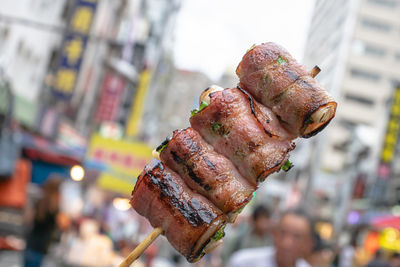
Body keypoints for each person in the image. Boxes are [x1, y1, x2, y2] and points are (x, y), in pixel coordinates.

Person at [227, 208, 314, 267]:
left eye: (297, 237)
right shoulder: (243, 262)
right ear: (274, 233)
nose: (286, 243)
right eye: (282, 233)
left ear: (308, 244)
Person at [24, 177, 62, 267]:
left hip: (31, 242)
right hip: (42, 246)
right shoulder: (55, 207)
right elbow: (61, 225)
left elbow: (28, 220)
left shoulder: (40, 201)